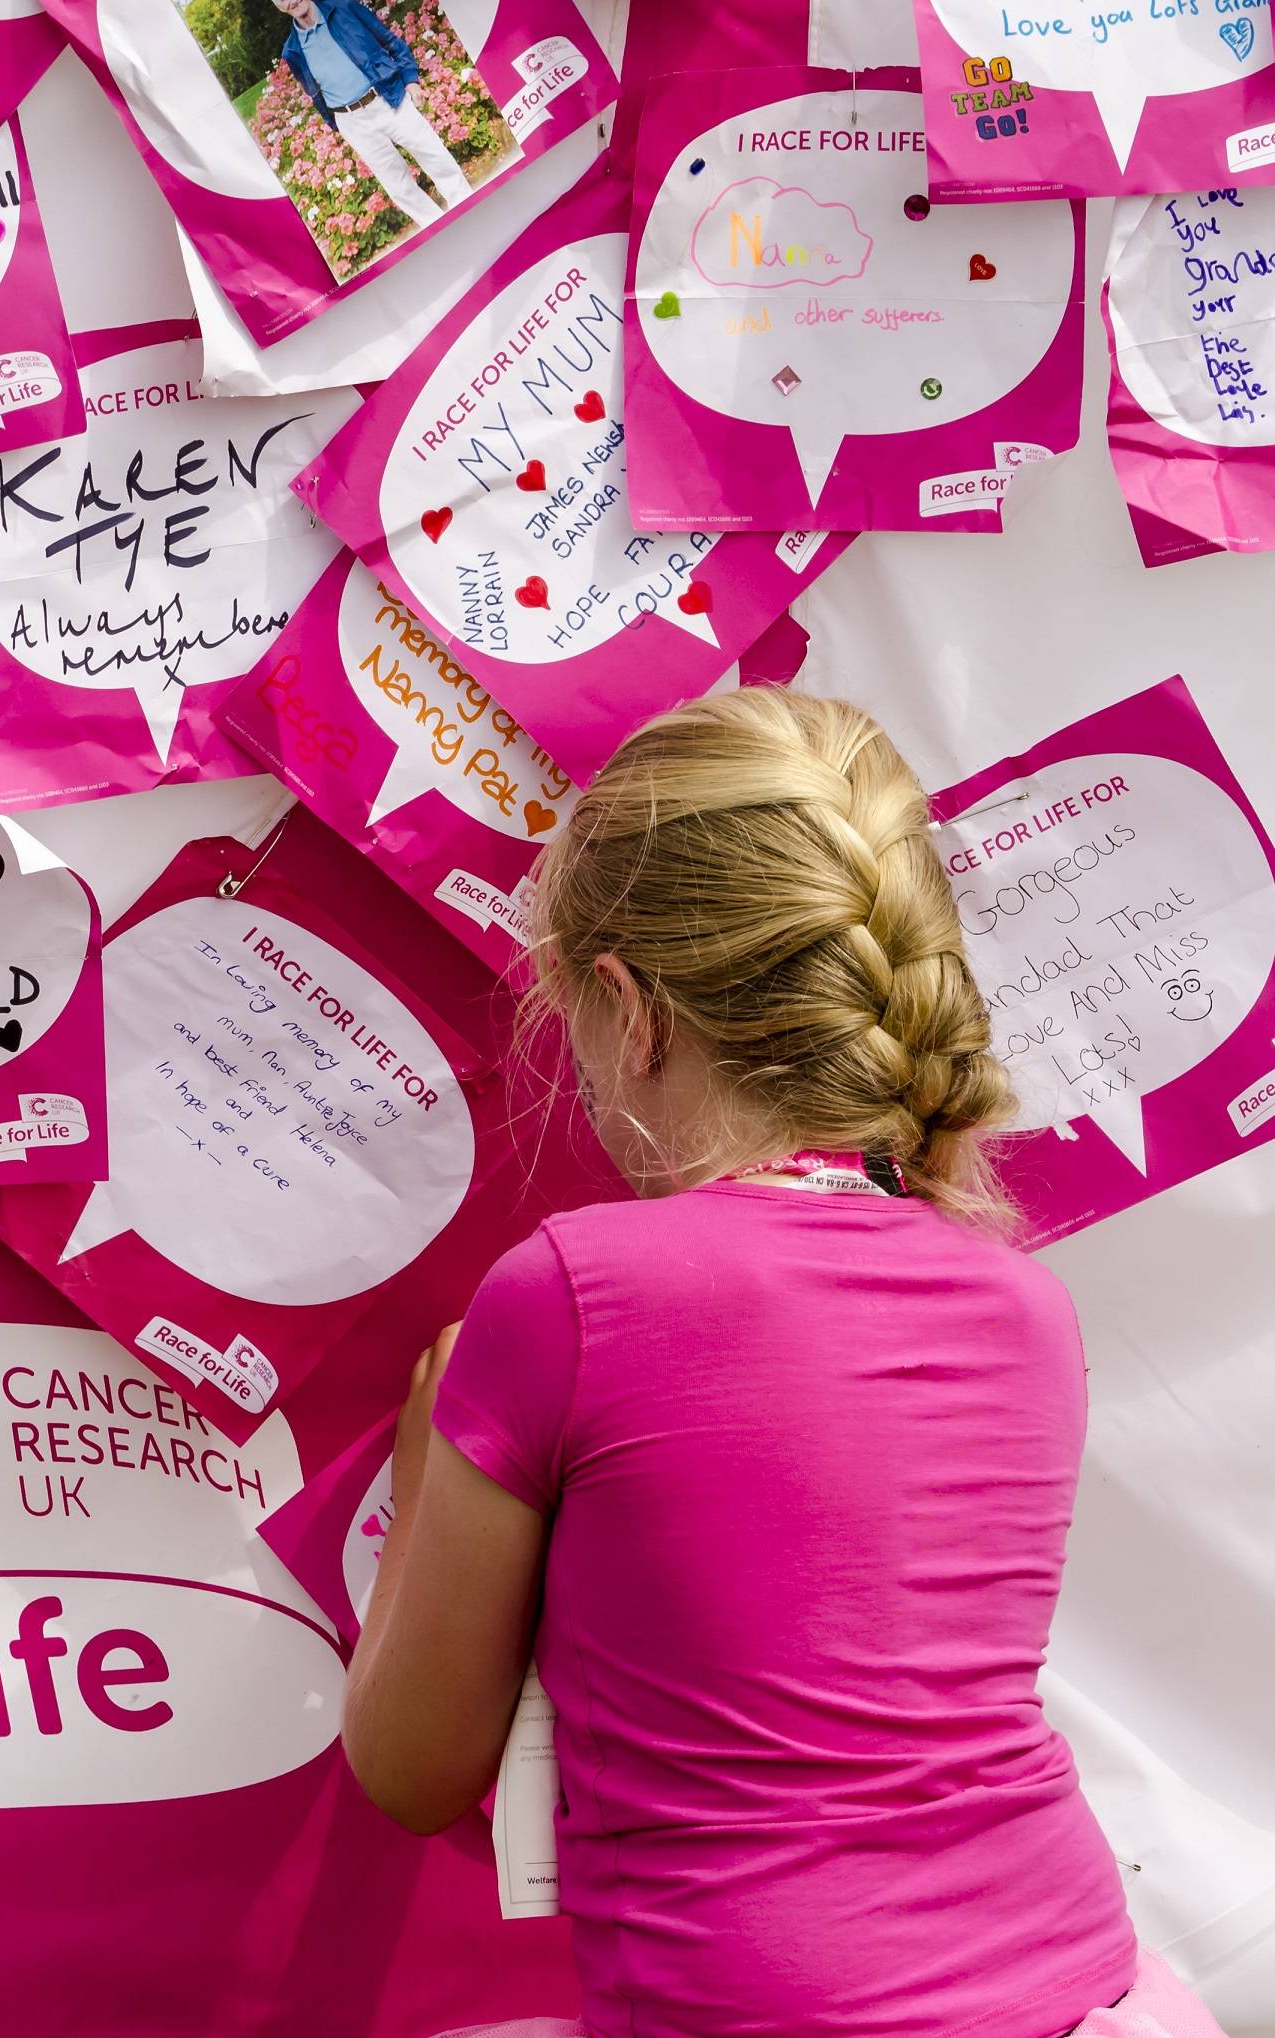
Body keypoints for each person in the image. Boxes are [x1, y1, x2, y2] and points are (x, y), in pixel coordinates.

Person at [344, 691, 1224, 2038]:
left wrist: (429, 1438)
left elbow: (410, 1764)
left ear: (629, 1009)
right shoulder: (1021, 1303)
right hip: (1080, 1987)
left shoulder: (568, 1296)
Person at [270, 0, 472, 228]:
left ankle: (470, 210)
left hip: (387, 97)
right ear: (276, 6)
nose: (291, 1)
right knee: (399, 186)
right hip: (352, 122)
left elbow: (389, 41)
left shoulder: (344, 7)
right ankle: (440, 228)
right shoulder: (292, 51)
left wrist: (410, 79)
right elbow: (314, 92)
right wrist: (337, 122)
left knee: (433, 154)